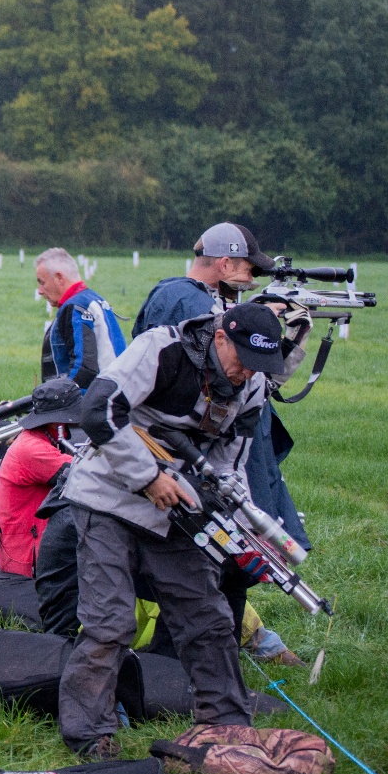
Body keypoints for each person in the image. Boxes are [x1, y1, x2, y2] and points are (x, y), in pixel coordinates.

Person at [54, 303, 286, 760]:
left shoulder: (253, 385)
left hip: (178, 509)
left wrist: (233, 513)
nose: (247, 375)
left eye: (259, 367)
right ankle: (89, 734)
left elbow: (228, 463)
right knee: (110, 621)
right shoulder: (162, 349)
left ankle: (226, 726)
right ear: (221, 338)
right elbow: (98, 410)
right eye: (242, 361)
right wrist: (148, 476)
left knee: (209, 618)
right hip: (108, 497)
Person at [131, 221, 312, 553]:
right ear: (225, 264)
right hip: (185, 451)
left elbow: (247, 382)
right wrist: (260, 324)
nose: (252, 279)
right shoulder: (187, 300)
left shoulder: (181, 294)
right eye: (248, 269)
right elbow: (223, 384)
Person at [0, 378, 81, 578]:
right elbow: (82, 475)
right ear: (57, 419)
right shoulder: (33, 449)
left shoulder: (38, 438)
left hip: (30, 544)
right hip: (25, 559)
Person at [35, 248, 126, 388]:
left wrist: (63, 399)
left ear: (59, 278)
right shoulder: (94, 300)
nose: (40, 291)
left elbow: (84, 367)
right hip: (116, 393)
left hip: (95, 401)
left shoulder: (74, 307)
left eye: (42, 282)